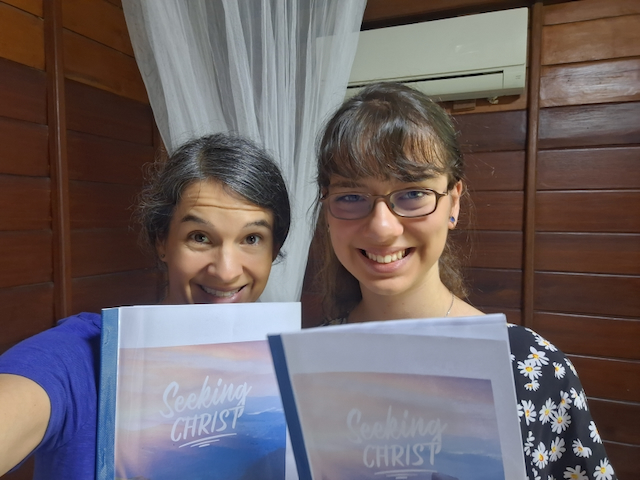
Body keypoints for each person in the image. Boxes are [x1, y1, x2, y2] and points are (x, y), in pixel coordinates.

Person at [315, 82, 616, 480]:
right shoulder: (308, 361)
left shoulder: (530, 366)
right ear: (328, 209)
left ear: (453, 202)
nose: (382, 228)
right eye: (352, 196)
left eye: (413, 193)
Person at [0, 133, 291, 479]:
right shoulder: (82, 358)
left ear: (273, 251)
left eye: (252, 239)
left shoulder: (296, 370)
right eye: (200, 237)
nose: (226, 271)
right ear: (161, 241)